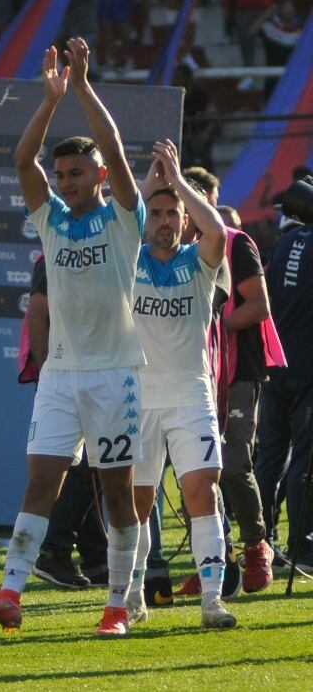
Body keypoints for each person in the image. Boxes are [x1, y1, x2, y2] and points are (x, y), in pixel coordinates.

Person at [0, 39, 146, 637]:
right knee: (41, 481)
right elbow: (23, 163)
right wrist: (49, 101)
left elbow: (116, 152)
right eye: (60, 174)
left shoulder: (123, 215)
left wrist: (85, 88)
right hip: (62, 377)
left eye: (76, 173)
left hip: (116, 373)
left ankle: (118, 604)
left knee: (116, 495)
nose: (64, 182)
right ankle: (11, 592)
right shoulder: (51, 219)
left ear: (97, 176)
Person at [125, 141, 236, 629]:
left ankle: (211, 599)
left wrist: (178, 180)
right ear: (145, 218)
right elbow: (118, 219)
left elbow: (217, 231)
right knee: (136, 502)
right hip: (137, 398)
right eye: (157, 213)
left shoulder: (200, 260)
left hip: (191, 396)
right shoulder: (126, 260)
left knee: (201, 491)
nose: (166, 220)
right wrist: (150, 185)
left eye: (173, 213)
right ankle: (130, 594)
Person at [181, 166, 285, 595]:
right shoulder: (175, 248)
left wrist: (212, 325)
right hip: (189, 371)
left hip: (238, 371)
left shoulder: (237, 243)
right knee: (192, 468)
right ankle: (212, 563)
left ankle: (256, 546)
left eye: (189, 198)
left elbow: (259, 306)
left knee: (235, 461)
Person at [24, 254, 110, 590]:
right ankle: (53, 549)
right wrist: (48, 372)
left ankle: (95, 557)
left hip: (103, 374)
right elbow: (38, 310)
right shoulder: (55, 250)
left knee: (94, 467)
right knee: (79, 468)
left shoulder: (117, 243)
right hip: (61, 375)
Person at [259, 197, 313, 574]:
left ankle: (258, 543)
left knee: (270, 456)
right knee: (305, 461)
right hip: (306, 368)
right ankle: (303, 545)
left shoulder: (280, 247)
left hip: (274, 364)